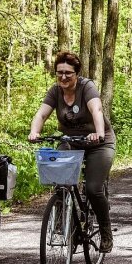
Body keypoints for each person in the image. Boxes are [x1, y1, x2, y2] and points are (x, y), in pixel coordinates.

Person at [28, 51, 116, 253]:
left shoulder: (87, 87)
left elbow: (97, 111)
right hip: (71, 142)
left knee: (94, 189)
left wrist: (99, 133)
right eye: (60, 73)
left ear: (77, 73)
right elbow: (41, 114)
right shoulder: (55, 91)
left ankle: (105, 232)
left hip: (99, 144)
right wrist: (34, 131)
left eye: (68, 73)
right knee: (61, 180)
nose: (63, 77)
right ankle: (63, 217)